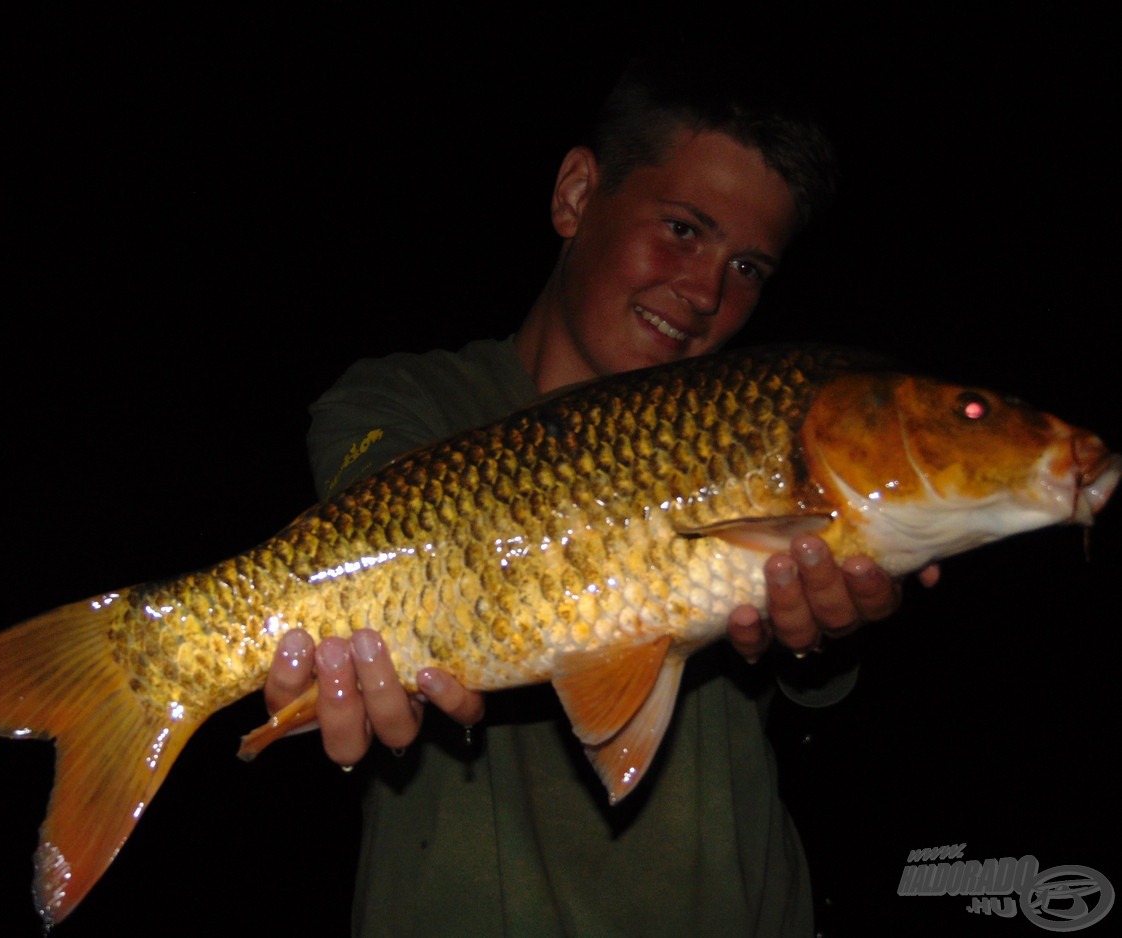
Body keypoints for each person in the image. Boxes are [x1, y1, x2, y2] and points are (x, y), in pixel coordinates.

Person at [265, 53, 936, 935]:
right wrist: (361, 653)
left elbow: (827, 675)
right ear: (577, 195)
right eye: (685, 230)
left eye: (749, 269)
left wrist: (828, 636)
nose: (704, 293)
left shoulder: (754, 430)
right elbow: (376, 531)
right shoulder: (405, 401)